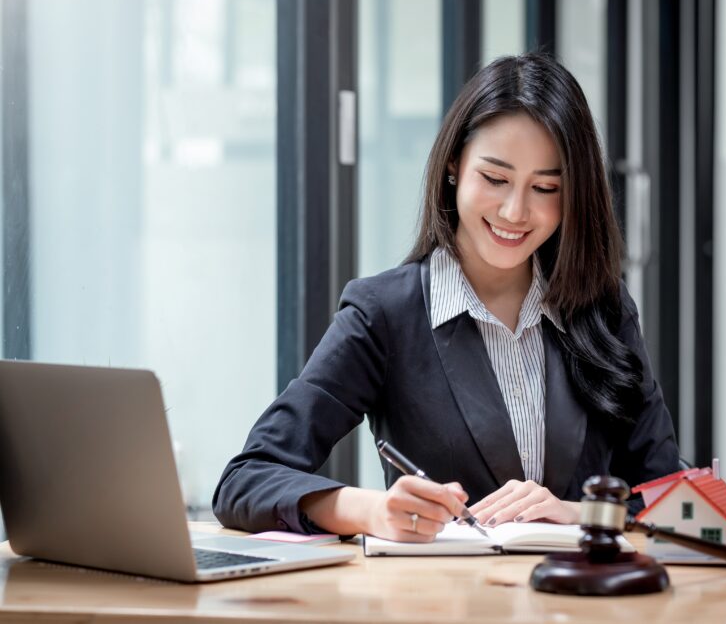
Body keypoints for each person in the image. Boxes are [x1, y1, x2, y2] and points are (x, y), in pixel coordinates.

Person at [213, 53, 680, 543]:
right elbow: (246, 480)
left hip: (581, 609)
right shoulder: (385, 315)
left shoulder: (602, 310)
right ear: (455, 164)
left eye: (545, 188)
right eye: (495, 179)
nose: (515, 211)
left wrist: (582, 513)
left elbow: (673, 492)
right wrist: (370, 511)